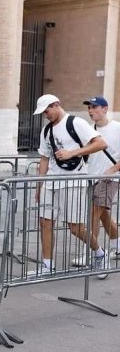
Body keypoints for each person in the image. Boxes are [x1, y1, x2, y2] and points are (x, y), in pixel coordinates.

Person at [34, 94, 107, 275]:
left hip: (73, 181)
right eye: (43, 113)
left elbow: (100, 143)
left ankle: (99, 254)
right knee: (45, 222)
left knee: (75, 227)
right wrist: (39, 185)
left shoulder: (76, 123)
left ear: (56, 105)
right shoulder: (46, 130)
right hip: (51, 181)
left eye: (47, 110)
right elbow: (44, 158)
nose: (46, 115)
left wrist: (73, 153)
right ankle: (47, 266)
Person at [71, 96, 120, 276]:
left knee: (94, 212)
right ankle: (118, 245)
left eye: (95, 107)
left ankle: (94, 253)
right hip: (92, 177)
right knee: (103, 214)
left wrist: (113, 169)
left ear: (105, 109)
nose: (91, 111)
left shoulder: (117, 128)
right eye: (89, 108)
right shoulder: (90, 131)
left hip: (110, 177)